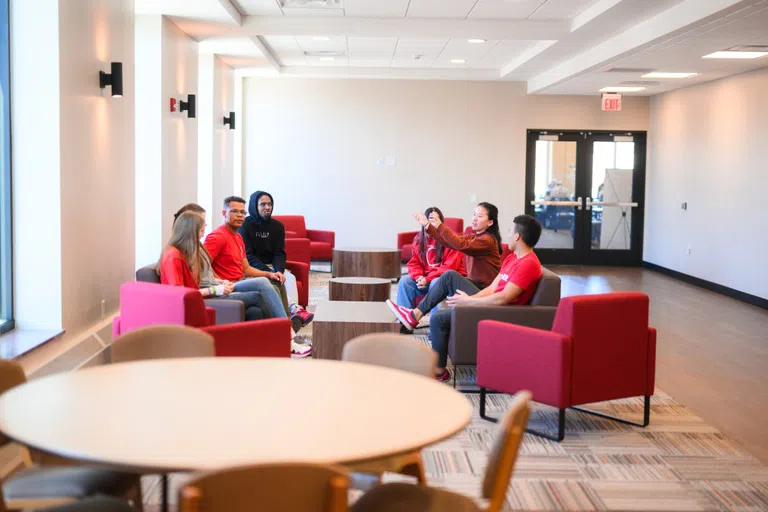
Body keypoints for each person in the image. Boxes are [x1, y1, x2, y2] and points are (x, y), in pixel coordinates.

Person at [387, 215, 543, 381]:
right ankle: (415, 315)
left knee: (439, 318)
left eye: (511, 231)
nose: (508, 234)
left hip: (500, 313)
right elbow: (493, 288)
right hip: (492, 305)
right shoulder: (513, 258)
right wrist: (471, 300)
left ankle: (439, 371)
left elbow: (503, 298)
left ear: (518, 236)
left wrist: (470, 302)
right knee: (449, 276)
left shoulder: (528, 264)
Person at [202, 197, 312, 357]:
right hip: (230, 285)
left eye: (242, 212)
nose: (239, 215)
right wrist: (220, 281)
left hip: (241, 280)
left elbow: (246, 268)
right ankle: (287, 335)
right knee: (263, 285)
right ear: (224, 213)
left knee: (275, 282)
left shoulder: (237, 237)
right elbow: (204, 265)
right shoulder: (217, 237)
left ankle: (283, 328)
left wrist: (270, 273)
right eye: (234, 211)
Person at [238, 190, 313, 327]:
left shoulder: (277, 227)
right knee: (275, 280)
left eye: (270, 204)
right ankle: (292, 311)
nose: (267, 207)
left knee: (289, 278)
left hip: (272, 267)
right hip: (253, 267)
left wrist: (278, 270)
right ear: (254, 206)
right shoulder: (244, 226)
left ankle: (295, 312)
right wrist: (269, 273)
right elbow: (248, 256)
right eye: (263, 204)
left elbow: (279, 252)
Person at [397, 206, 466, 308]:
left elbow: (449, 268)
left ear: (441, 223)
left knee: (436, 282)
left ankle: (436, 322)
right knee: (405, 282)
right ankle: (405, 319)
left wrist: (428, 279)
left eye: (434, 220)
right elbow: (415, 263)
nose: (430, 224)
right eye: (428, 220)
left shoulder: (451, 239)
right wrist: (419, 277)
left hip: (447, 280)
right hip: (427, 279)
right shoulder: (419, 239)